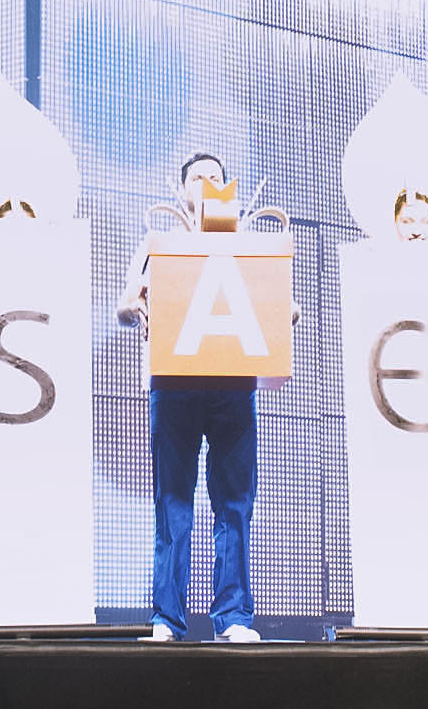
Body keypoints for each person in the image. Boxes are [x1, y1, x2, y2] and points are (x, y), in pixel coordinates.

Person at [116, 150, 295, 645]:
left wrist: (285, 314)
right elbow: (124, 305)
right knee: (173, 502)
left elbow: (284, 304)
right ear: (182, 190)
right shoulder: (159, 242)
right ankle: (167, 620)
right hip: (174, 384)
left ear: (228, 189)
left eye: (215, 177)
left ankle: (233, 617)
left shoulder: (247, 244)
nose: (206, 184)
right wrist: (136, 306)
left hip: (233, 385)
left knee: (234, 504)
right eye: (197, 177)